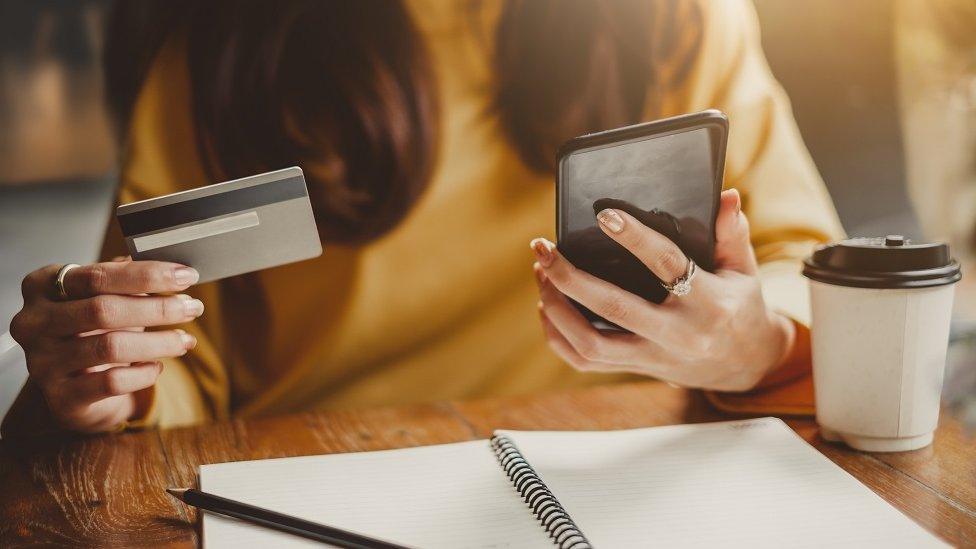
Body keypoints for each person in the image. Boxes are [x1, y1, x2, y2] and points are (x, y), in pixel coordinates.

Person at [3, 0, 843, 436]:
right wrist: (116, 377)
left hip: (623, 470)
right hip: (299, 477)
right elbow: (180, 354)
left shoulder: (680, 21)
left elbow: (806, 265)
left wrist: (755, 345)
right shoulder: (220, 58)